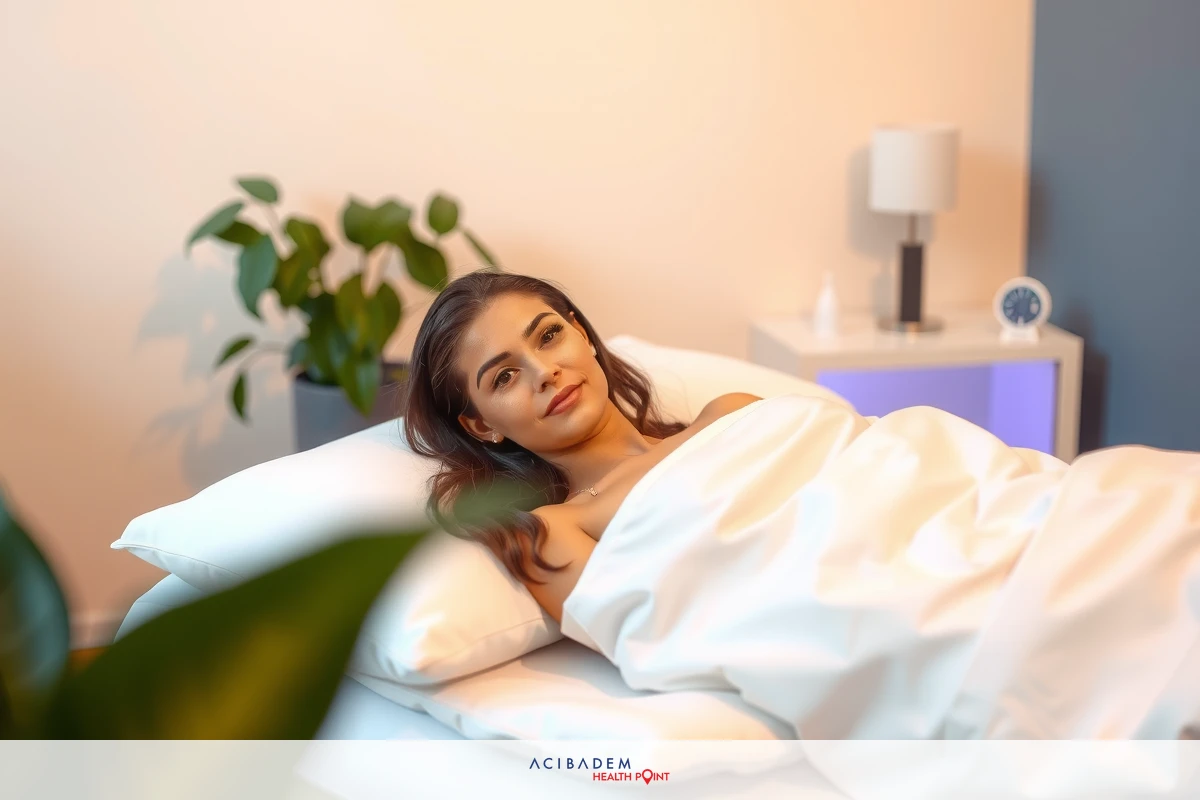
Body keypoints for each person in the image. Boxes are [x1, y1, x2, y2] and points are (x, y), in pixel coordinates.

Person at [402, 270, 760, 621]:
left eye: (548, 335)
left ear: (582, 334)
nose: (544, 372)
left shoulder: (732, 413)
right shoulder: (552, 534)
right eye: (505, 377)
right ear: (482, 426)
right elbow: (662, 640)